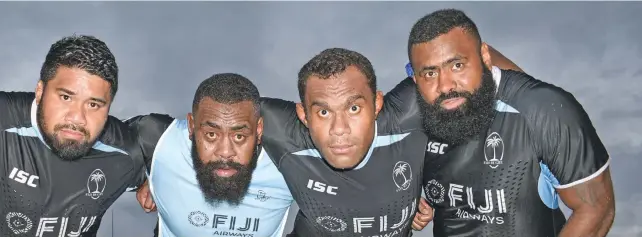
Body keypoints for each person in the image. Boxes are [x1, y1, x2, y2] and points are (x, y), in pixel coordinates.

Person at [404, 9, 615, 237]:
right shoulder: (417, 114)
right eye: (430, 73)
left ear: (484, 57)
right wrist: (409, 201)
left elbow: (596, 208)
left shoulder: (543, 109)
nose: (445, 85)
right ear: (415, 78)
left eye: (457, 65)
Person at [0, 35, 145, 237]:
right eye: (66, 97)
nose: (78, 117)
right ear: (40, 92)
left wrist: (157, 183)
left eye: (93, 104)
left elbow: (170, 156)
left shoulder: (126, 151)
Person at [258, 48, 430, 237]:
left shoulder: (408, 116)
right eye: (324, 112)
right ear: (303, 115)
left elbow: (453, 58)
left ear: (377, 104)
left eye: (354, 108)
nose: (339, 128)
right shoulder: (287, 134)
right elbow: (226, 106)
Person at [129, 73, 295, 237]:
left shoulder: (289, 162)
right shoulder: (161, 142)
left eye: (239, 136)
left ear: (258, 130)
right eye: (211, 135)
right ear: (192, 126)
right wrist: (152, 175)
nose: (225, 153)